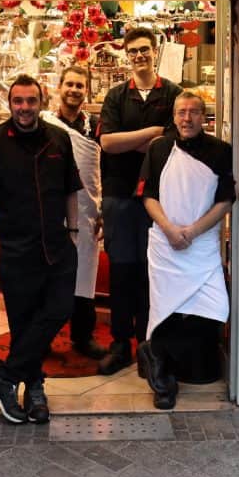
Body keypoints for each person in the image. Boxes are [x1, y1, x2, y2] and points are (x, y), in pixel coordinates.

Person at [0, 74, 81, 425]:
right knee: (24, 325)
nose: (24, 107)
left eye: (31, 101)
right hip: (16, 250)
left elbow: (71, 190)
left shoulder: (59, 139)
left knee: (59, 309)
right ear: (9, 103)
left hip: (58, 246)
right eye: (18, 101)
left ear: (41, 102)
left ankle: (4, 377)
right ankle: (34, 391)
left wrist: (74, 232)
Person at [136, 90, 235, 409]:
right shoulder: (159, 148)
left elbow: (225, 201)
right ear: (174, 116)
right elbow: (148, 195)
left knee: (217, 309)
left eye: (193, 112)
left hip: (201, 245)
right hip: (165, 245)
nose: (187, 118)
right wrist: (169, 228)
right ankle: (162, 378)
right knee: (165, 311)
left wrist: (192, 231)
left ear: (203, 116)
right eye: (181, 112)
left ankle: (154, 351)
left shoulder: (221, 151)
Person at [97, 27, 180, 375]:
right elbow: (108, 143)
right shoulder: (116, 95)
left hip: (159, 197)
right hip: (119, 195)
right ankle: (120, 344)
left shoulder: (173, 93)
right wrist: (152, 133)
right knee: (121, 271)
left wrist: (128, 141)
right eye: (133, 51)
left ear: (154, 51)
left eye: (144, 49)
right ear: (126, 55)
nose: (139, 56)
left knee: (152, 272)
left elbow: (173, 145)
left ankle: (149, 347)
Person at [42, 65, 105, 360]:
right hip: (52, 210)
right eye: (69, 84)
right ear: (59, 86)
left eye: (80, 85)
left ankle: (83, 336)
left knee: (85, 273)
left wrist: (102, 209)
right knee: (50, 275)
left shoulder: (96, 127)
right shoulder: (45, 124)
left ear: (87, 91)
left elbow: (103, 169)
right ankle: (43, 337)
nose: (74, 90)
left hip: (87, 209)